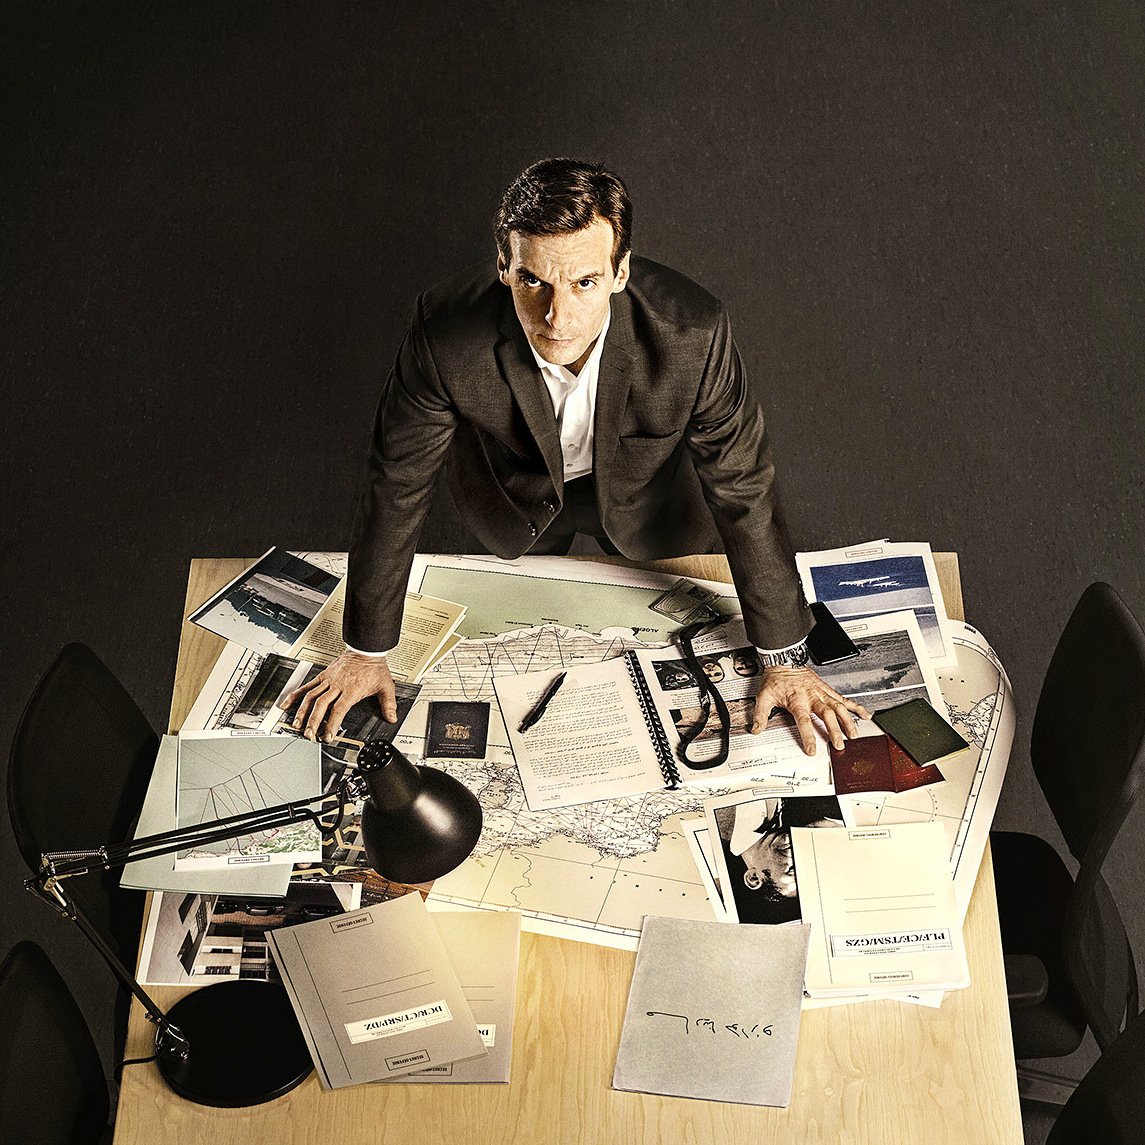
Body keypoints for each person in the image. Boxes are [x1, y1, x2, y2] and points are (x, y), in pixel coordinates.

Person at [282, 158, 870, 751]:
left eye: (584, 282)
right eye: (534, 281)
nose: (557, 317)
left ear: (620, 272)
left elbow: (744, 487)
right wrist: (366, 650)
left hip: (649, 505)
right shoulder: (443, 333)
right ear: (504, 269)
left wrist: (786, 659)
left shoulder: (692, 332)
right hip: (514, 500)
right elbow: (397, 484)